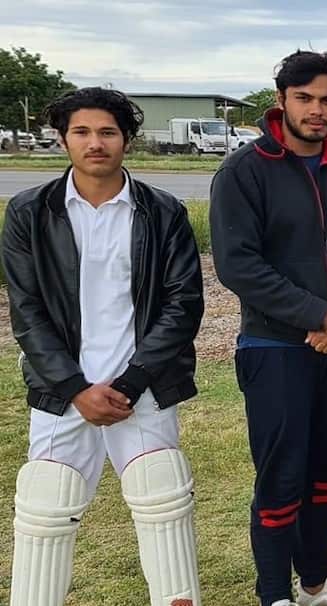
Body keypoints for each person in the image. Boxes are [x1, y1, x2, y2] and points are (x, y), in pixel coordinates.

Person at [2, 87, 204, 606]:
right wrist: (74, 388)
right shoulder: (29, 212)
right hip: (62, 392)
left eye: (108, 132)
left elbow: (184, 305)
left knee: (164, 505)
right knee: (45, 512)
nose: (96, 143)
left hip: (144, 389)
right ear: (63, 139)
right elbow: (28, 311)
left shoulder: (162, 212)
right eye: (82, 132)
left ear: (127, 140)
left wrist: (132, 381)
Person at [210, 50, 327, 606]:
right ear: (282, 100)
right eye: (305, 98)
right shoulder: (245, 170)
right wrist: (319, 315)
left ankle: (314, 584)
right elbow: (239, 265)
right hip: (275, 347)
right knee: (281, 476)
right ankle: (275, 596)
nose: (317, 111)